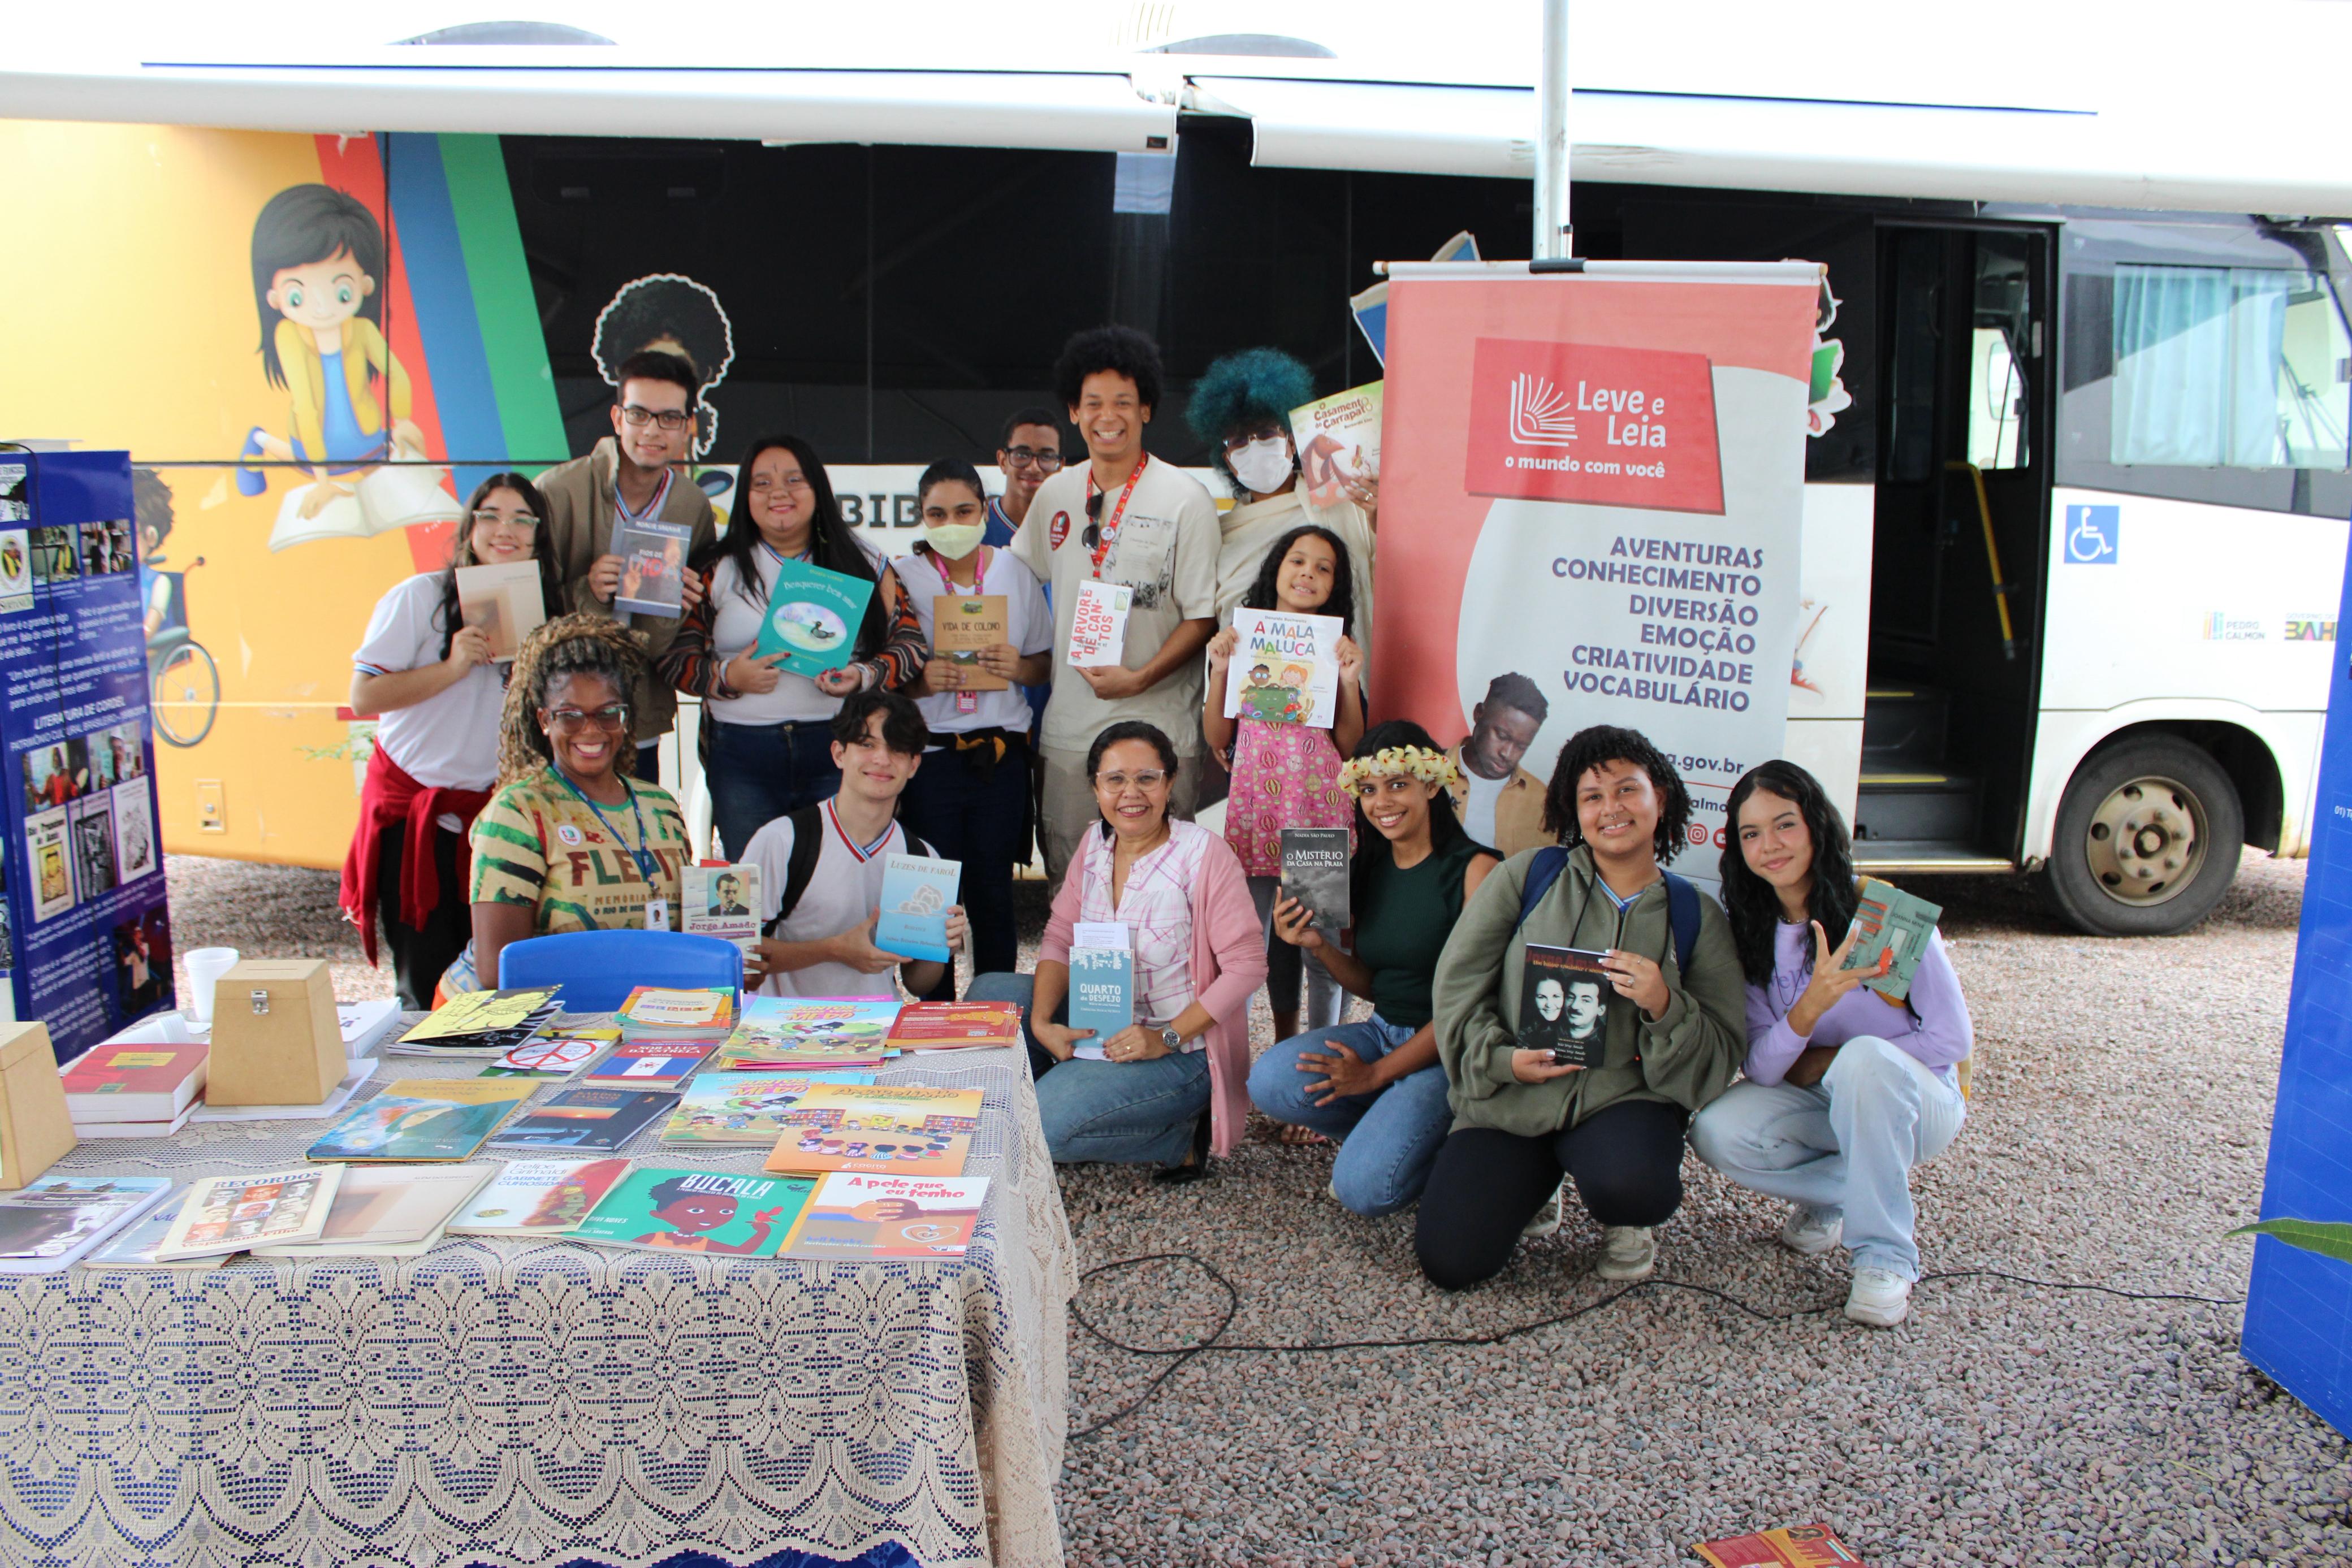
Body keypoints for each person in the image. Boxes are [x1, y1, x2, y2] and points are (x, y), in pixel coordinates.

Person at [1416, 725, 1746, 1290]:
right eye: (1591, 796)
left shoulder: (1694, 915)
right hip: (1512, 1099)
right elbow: (1456, 988)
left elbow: (1721, 1052)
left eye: (1626, 790)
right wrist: (1501, 1061)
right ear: (1572, 809)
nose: (1610, 809)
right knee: (1450, 1261)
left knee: (1635, 1185)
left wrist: (1664, 1004)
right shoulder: (1528, 877)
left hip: (1619, 1103)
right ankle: (1536, 1184)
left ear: (1658, 797)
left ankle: (1624, 1218)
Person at [1689, 759, 1973, 1328]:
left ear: (1817, 825)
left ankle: (1885, 1257)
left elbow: (1951, 1037)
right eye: (1750, 833)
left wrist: (1842, 1060)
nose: (1769, 844)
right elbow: (1763, 1069)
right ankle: (1841, 1193)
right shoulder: (1750, 934)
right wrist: (1810, 1006)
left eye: (1784, 823)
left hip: (1920, 1104)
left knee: (1866, 1061)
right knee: (1714, 1130)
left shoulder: (1883, 910)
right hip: (1825, 1103)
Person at [967, 723, 1265, 1176]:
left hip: (1178, 1048)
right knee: (990, 994)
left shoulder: (1205, 855)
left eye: (1147, 777)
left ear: (1169, 783)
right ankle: (1073, 1093)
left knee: (1042, 1128)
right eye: (1115, 779)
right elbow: (1061, 934)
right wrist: (1043, 1022)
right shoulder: (1094, 844)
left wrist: (1165, 1039)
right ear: (1096, 787)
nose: (1132, 793)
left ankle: (1179, 1137)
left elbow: (1247, 969)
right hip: (1102, 1022)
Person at [1247, 722, 1500, 1213]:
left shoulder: (1476, 871)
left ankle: (1458, 1147)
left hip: (1452, 1053)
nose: (1381, 801)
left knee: (1367, 1191)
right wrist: (1318, 946)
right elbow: (1373, 984)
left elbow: (1469, 1010)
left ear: (1432, 784)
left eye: (1397, 784)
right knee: (1271, 1081)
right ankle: (1393, 1130)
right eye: (1368, 789)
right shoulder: (1371, 867)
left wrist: (1375, 1075)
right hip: (1384, 1031)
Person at [341, 474, 564, 1008]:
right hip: (419, 821)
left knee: (500, 976)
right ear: (470, 527)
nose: (504, 529)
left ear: (539, 536)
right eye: (491, 515)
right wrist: (453, 666)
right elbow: (364, 697)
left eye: (521, 519)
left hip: (497, 822)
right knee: (424, 978)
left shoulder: (544, 617)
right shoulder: (420, 599)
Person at [1008, 326, 1220, 882]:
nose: (1109, 416)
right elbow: (1015, 577)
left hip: (1160, 730)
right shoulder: (1055, 493)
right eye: (1093, 403)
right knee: (1071, 888)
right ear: (1074, 412)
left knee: (1159, 893)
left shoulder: (1184, 498)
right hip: (1069, 733)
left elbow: (1202, 615)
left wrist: (1138, 677)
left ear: (1146, 409)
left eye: (1123, 402)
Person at [658, 434, 927, 856]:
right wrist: (728, 677)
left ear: (818, 490)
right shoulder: (714, 567)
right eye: (762, 483)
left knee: (838, 874)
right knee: (752, 883)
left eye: (794, 480)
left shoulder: (864, 562)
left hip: (839, 748)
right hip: (742, 752)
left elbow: (910, 644)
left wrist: (863, 676)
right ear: (745, 495)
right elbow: (672, 659)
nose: (779, 493)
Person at [459, 615, 693, 995]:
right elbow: (496, 970)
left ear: (625, 718)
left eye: (608, 713)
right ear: (544, 720)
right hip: (532, 1024)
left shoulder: (660, 806)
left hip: (635, 1011)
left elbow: (683, 931)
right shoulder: (519, 811)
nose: (591, 729)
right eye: (569, 715)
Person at [1203, 525, 1366, 1041]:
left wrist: (1348, 682)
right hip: (1254, 816)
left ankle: (1320, 1065)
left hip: (1318, 816)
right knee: (1245, 948)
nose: (1308, 574)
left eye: (1323, 568)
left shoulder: (1336, 650)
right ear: (1276, 568)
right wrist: (1221, 668)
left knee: (1321, 949)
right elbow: (1217, 736)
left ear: (1334, 586)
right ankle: (1236, 1072)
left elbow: (1351, 747)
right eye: (1298, 561)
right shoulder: (1244, 640)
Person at [892, 460, 1051, 982]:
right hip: (931, 760)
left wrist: (1018, 667)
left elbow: (1043, 660)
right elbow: (882, 670)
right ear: (921, 517)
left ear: (984, 509)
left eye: (963, 510)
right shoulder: (902, 577)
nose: (951, 523)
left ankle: (998, 1017)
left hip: (999, 760)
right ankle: (933, 1019)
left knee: (993, 897)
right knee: (930, 898)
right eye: (936, 514)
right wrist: (921, 680)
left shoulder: (1014, 571)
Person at [536, 348, 717, 783]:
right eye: (639, 415)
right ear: (618, 419)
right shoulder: (559, 491)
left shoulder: (691, 505)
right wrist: (588, 593)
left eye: (669, 418)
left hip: (639, 714)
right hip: (562, 717)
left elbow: (695, 627)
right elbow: (528, 606)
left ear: (687, 426)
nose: (652, 430)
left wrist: (687, 604)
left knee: (636, 839)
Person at [740, 689, 968, 1001]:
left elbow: (918, 984)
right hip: (785, 1035)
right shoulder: (783, 841)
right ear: (839, 753)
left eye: (898, 749)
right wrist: (833, 950)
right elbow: (738, 956)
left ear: (914, 765)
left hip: (878, 1032)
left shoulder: (921, 856)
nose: (882, 760)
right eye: (867, 744)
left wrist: (940, 947)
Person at [1184, 348, 1377, 661]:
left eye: (1265, 433)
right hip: (1252, 695)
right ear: (1229, 463)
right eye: (1239, 441)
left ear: (1290, 442)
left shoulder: (1341, 502)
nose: (1254, 445)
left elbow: (1385, 573)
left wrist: (1378, 520)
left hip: (1342, 688)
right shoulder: (1222, 535)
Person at [1446, 672, 1552, 857]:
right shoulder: (1427, 772)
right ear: (1479, 713)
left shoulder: (1542, 800)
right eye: (1502, 736)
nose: (1508, 754)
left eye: (1521, 746)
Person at [986, 407, 1064, 547]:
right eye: (1022, 454)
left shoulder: (1072, 527)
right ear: (1003, 461)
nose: (1033, 467)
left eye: (1046, 457)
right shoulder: (976, 526)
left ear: (1059, 466)